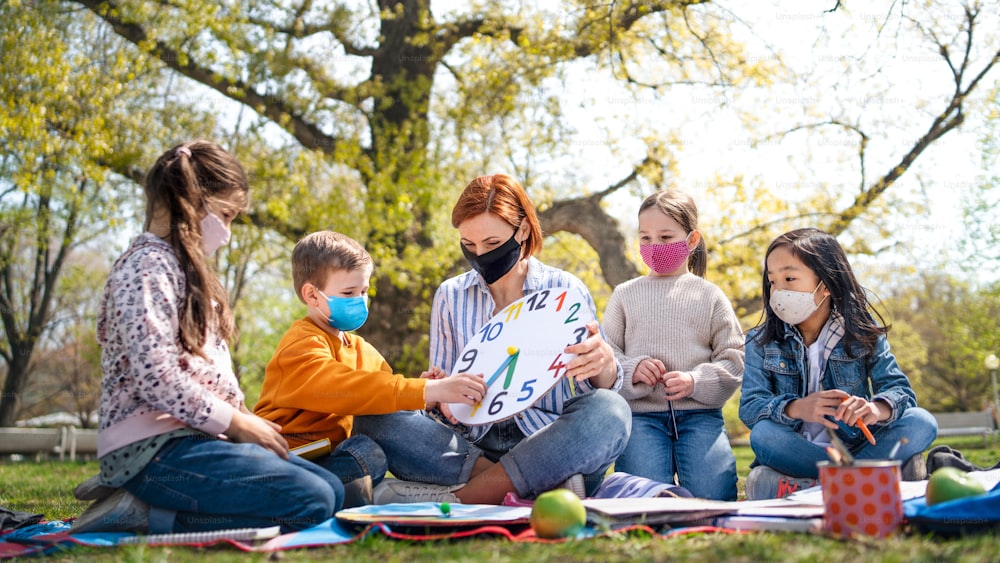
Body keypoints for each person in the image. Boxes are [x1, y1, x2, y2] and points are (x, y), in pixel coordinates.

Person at [71, 140, 346, 534]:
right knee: (312, 501)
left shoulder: (183, 270)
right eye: (227, 215)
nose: (229, 234)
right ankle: (144, 512)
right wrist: (234, 422)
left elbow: (203, 372)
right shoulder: (146, 268)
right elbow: (157, 376)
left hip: (196, 436)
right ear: (192, 200)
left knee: (332, 491)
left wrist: (245, 420)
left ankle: (151, 503)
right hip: (155, 449)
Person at [353, 173, 631, 504]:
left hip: (549, 439)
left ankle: (463, 500)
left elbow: (594, 390)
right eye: (469, 245)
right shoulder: (450, 295)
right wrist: (439, 396)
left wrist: (604, 364)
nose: (480, 254)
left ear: (523, 230)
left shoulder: (565, 290)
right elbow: (447, 407)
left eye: (493, 244)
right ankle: (529, 486)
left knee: (611, 411)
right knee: (373, 412)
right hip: (471, 448)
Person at [253, 231, 489, 504]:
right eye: (348, 293)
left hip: (334, 455)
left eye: (364, 291)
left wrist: (428, 397)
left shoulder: (361, 348)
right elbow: (346, 388)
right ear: (312, 295)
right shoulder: (300, 345)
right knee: (368, 454)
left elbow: (389, 397)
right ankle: (354, 494)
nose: (360, 300)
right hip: (290, 458)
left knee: (373, 442)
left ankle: (466, 478)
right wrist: (429, 388)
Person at [740, 227, 938, 499]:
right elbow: (751, 407)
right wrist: (797, 408)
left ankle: (818, 487)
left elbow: (900, 390)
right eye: (772, 281)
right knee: (764, 435)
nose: (778, 290)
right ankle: (862, 483)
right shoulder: (759, 341)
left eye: (789, 278)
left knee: (922, 422)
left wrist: (874, 408)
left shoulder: (863, 333)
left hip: (856, 446)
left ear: (826, 285)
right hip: (794, 449)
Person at [601, 190, 743, 501]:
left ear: (692, 240)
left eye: (666, 237)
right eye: (646, 238)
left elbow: (734, 359)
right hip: (641, 417)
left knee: (714, 499)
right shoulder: (625, 294)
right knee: (642, 501)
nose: (654, 247)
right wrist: (632, 367)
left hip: (700, 416)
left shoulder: (710, 296)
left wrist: (696, 381)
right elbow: (605, 352)